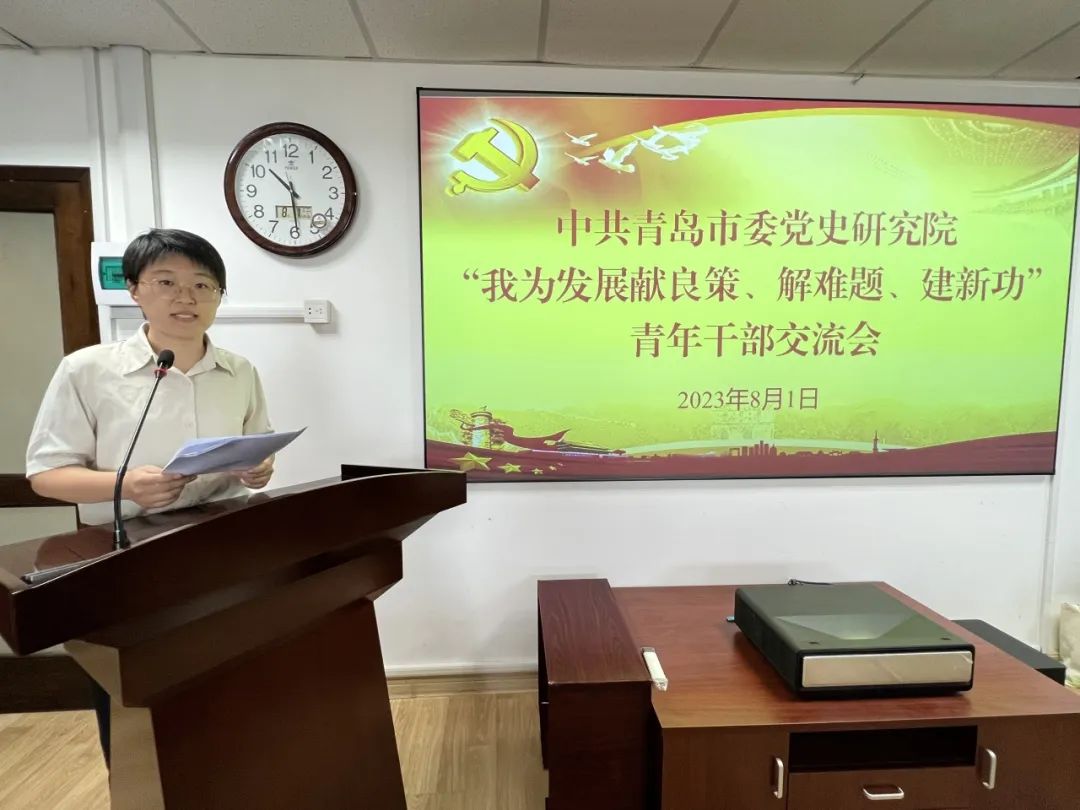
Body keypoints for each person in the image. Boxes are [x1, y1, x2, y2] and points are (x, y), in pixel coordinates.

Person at [25, 229, 275, 767]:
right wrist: (124, 484)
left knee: (223, 689)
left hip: (223, 546)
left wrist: (258, 469)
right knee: (134, 706)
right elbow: (46, 475)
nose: (186, 297)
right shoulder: (87, 370)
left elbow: (258, 448)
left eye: (203, 285)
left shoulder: (240, 372)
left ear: (219, 296)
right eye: (167, 282)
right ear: (135, 289)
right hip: (124, 556)